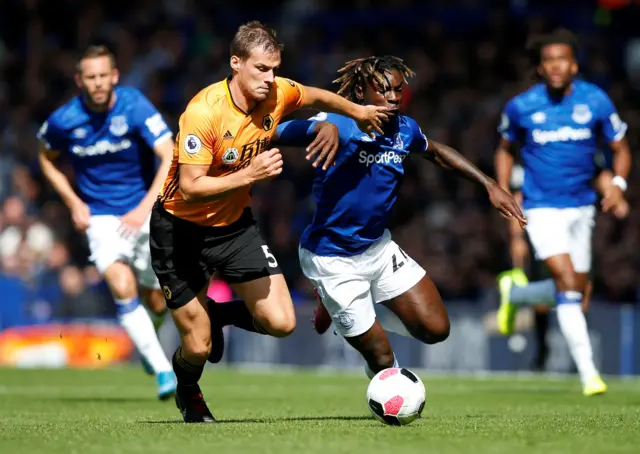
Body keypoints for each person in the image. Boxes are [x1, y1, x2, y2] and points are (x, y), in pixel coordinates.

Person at [149, 21, 394, 423]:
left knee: (281, 322)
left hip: (233, 227)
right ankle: (188, 391)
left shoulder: (277, 93)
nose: (270, 78)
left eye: (275, 68)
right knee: (197, 348)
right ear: (236, 64)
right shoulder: (202, 112)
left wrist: (356, 111)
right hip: (179, 230)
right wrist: (251, 175)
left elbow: (313, 95)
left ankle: (219, 312)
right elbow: (190, 188)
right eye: (261, 69)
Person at [273, 55, 526, 380]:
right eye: (382, 90)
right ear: (361, 94)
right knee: (380, 357)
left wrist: (489, 184)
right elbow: (274, 133)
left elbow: (435, 151)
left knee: (437, 330)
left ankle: (347, 309)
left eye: (397, 89)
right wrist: (319, 126)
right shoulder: (340, 122)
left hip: (377, 249)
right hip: (331, 258)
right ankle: (346, 316)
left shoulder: (404, 129)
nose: (392, 97)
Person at [494, 29, 631, 396]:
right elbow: (505, 149)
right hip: (541, 209)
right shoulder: (522, 106)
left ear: (573, 65)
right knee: (569, 285)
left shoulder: (595, 101)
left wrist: (618, 186)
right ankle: (590, 376)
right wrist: (503, 189)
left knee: (578, 291)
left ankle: (518, 295)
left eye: (562, 60)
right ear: (541, 67)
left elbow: (620, 148)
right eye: (548, 60)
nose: (555, 66)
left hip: (582, 208)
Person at [37, 45, 177, 400]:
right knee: (121, 283)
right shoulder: (64, 120)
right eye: (90, 77)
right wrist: (74, 202)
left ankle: (149, 344)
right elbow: (46, 158)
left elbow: (169, 153)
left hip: (140, 211)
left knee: (157, 300)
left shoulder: (134, 105)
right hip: (100, 218)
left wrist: (146, 207)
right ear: (79, 80)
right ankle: (162, 369)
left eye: (103, 76)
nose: (98, 83)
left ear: (114, 76)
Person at [503, 153, 629, 372]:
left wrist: (614, 193)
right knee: (547, 300)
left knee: (581, 292)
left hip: (579, 227)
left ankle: (577, 359)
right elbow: (517, 199)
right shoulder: (532, 154)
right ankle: (542, 352)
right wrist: (517, 238)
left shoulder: (581, 143)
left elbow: (601, 174)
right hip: (544, 228)